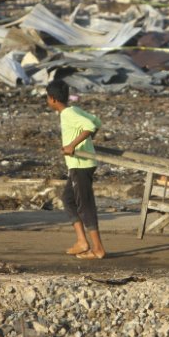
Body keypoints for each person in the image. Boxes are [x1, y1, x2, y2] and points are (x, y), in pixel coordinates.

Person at [46, 79, 106, 260]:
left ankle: (98, 249)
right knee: (68, 200)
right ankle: (82, 241)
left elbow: (91, 126)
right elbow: (97, 121)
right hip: (79, 165)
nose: (47, 101)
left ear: (53, 99)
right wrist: (86, 142)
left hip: (81, 165)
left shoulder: (68, 114)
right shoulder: (74, 110)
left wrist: (73, 145)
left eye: (47, 98)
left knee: (85, 206)